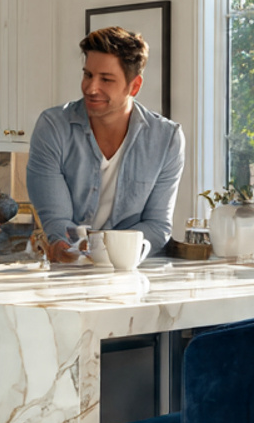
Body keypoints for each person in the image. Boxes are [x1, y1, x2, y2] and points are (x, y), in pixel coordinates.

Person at [27, 26, 184, 261]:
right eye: (88, 75)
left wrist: (112, 255)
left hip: (132, 272)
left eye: (106, 79)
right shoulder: (53, 127)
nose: (91, 88)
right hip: (70, 268)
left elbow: (157, 225)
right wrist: (71, 249)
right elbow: (57, 220)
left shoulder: (166, 139)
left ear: (134, 86)